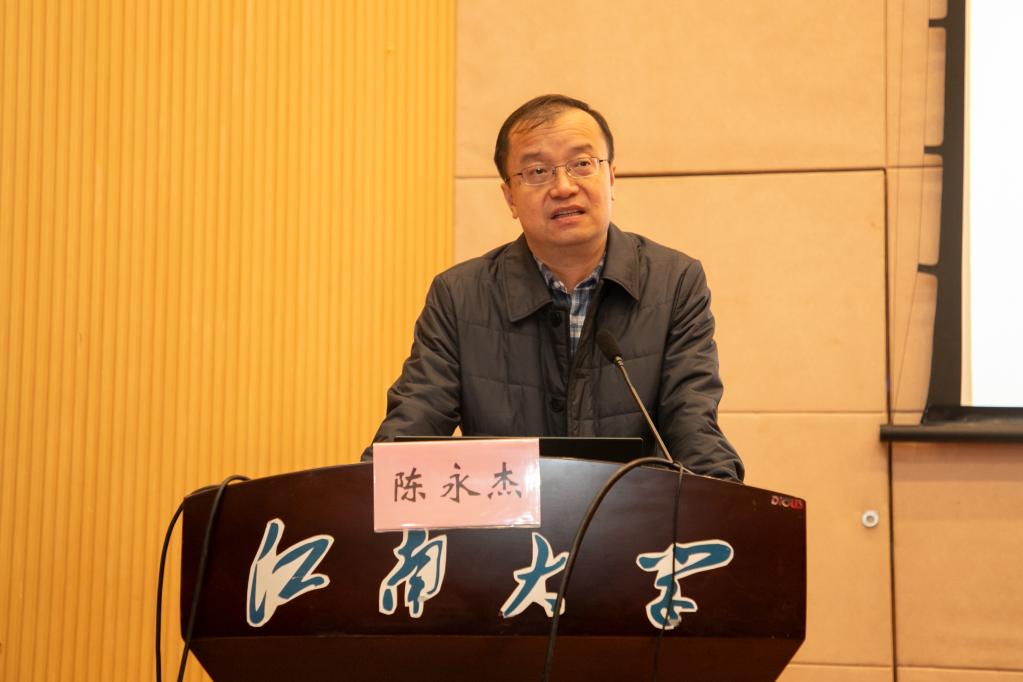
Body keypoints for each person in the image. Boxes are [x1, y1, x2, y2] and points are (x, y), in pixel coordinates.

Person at [363, 94, 743, 481]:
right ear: (510, 197)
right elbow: (412, 426)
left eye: (582, 164)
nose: (563, 187)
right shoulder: (459, 297)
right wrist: (361, 490)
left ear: (611, 178)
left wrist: (722, 501)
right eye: (537, 171)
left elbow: (693, 427)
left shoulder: (674, 283)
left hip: (634, 517)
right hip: (505, 520)